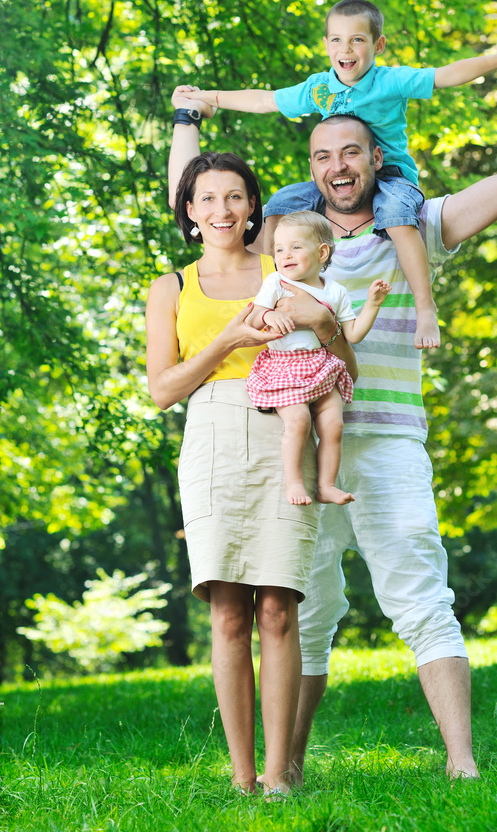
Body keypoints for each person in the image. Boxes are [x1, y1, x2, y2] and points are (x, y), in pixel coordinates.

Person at [168, 46, 497, 781]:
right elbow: (197, 205)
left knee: (419, 593)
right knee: (302, 619)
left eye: (351, 151)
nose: (337, 165)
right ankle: (284, 771)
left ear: (377, 158)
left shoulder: (414, 225)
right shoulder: (280, 248)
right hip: (289, 450)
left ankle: (461, 763)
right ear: (310, 167)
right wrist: (189, 117)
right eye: (322, 154)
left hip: (385, 443)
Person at [145, 144, 357, 797]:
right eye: (206, 197)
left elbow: (346, 354)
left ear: (252, 206)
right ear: (187, 209)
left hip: (285, 428)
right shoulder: (169, 286)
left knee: (278, 609)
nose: (221, 209)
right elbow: (162, 389)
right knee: (229, 614)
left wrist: (325, 325)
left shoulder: (285, 266)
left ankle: (280, 775)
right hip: (210, 434)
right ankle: (242, 778)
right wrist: (229, 340)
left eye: (233, 195)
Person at [188, 0, 497, 351]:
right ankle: (273, 294)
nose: (345, 49)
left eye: (357, 40)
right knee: (281, 202)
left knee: (396, 216)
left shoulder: (390, 81)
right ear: (326, 44)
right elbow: (264, 101)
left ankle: (426, 307)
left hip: (392, 177)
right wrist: (206, 98)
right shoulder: (319, 87)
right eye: (336, 40)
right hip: (299, 379)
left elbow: (447, 76)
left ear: (378, 45)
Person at [244, 210, 391, 506]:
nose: (285, 255)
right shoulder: (276, 282)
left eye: (296, 247)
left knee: (334, 424)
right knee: (299, 421)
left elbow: (353, 335)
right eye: (279, 249)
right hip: (285, 367)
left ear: (322, 252)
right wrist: (270, 313)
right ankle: (294, 482)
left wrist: (373, 305)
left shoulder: (335, 291)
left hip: (321, 366)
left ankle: (326, 485)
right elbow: (254, 318)